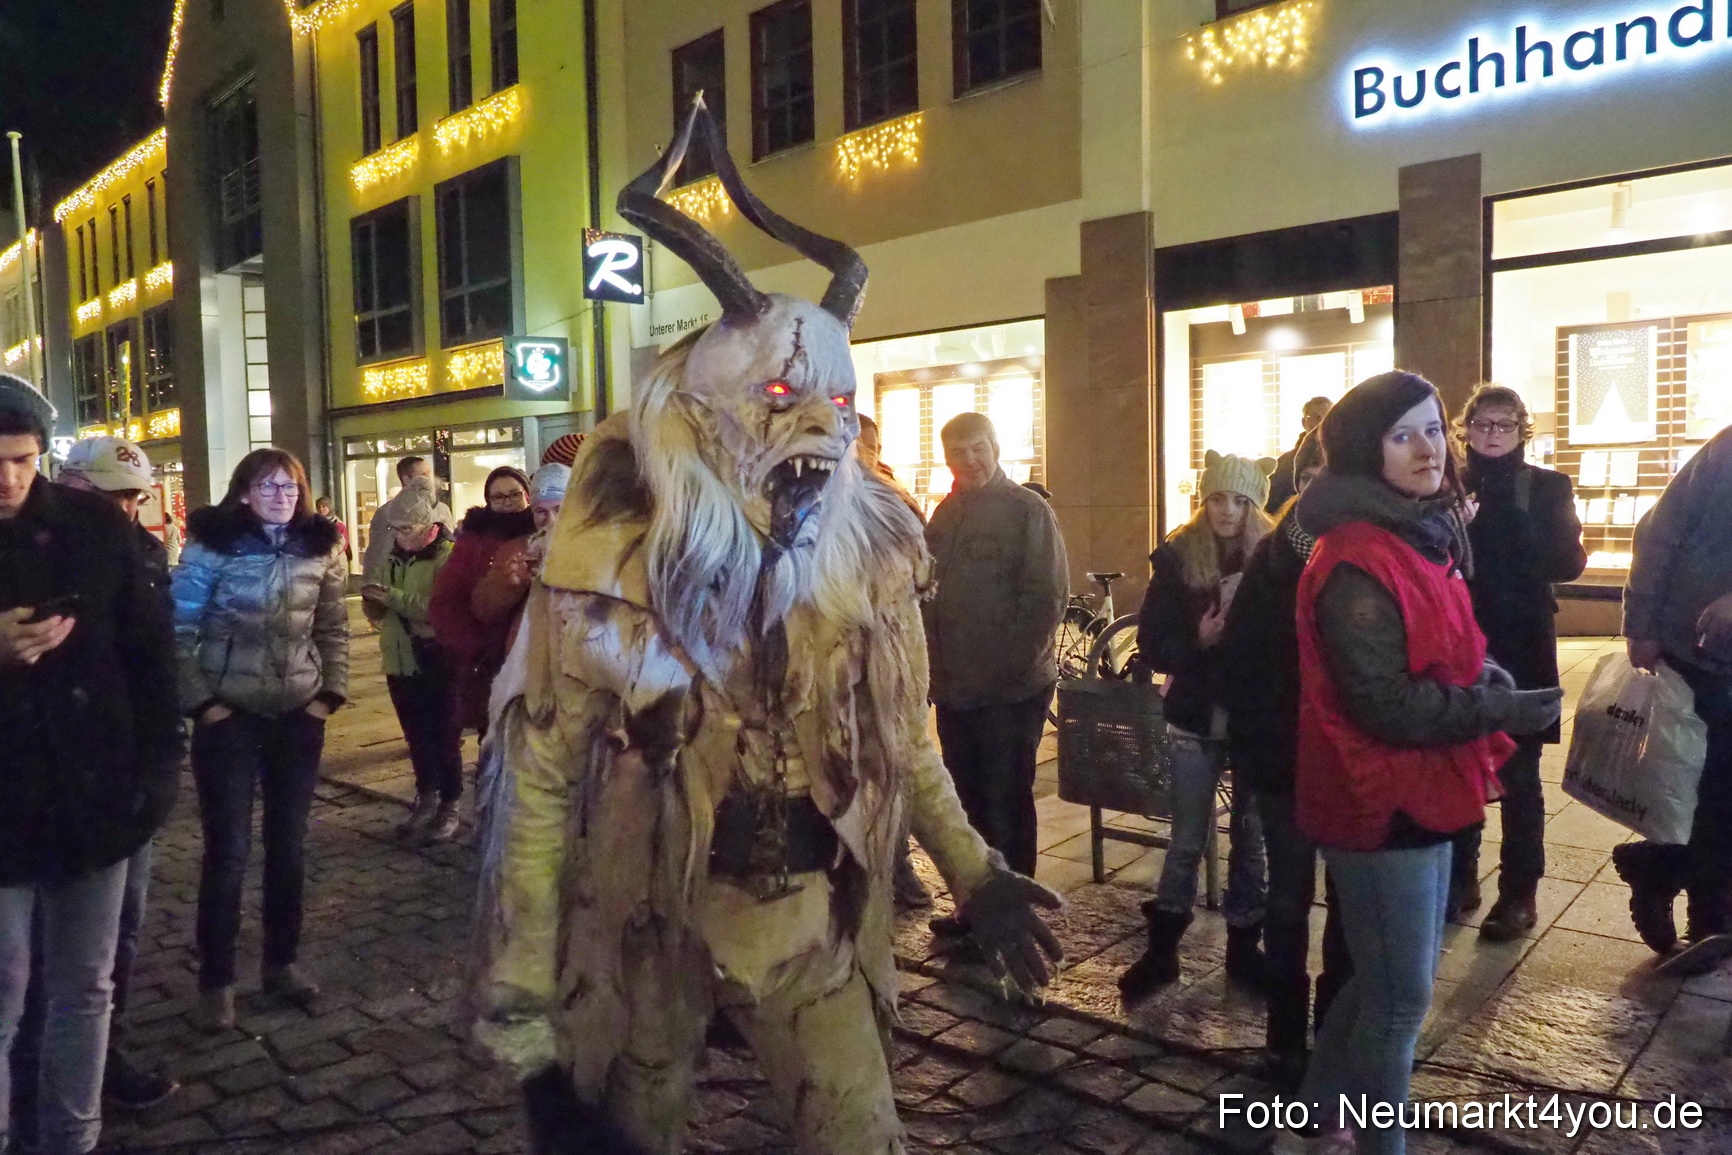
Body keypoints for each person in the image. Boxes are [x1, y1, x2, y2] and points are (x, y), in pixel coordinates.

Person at [473, 107, 1063, 1155]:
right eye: (782, 396)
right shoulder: (602, 573)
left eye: (834, 400)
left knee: (859, 1134)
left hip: (806, 917)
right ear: (697, 422)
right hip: (649, 917)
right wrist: (523, 980)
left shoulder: (866, 565)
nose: (816, 429)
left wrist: (973, 871)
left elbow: (902, 740)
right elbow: (544, 775)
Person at [1291, 371, 1561, 1155]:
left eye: (1433, 429)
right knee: (1401, 1001)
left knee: (1377, 985)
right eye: (1401, 434)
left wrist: (1487, 678)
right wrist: (1495, 709)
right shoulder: (1356, 555)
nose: (1426, 449)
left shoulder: (1418, 532)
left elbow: (1439, 648)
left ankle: (1310, 1124)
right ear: (1362, 452)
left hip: (1425, 788)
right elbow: (1386, 704)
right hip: (1378, 798)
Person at [0, 375, 182, 1154]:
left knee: (87, 985)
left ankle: (72, 1138)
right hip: (6, 800)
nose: (6, 479)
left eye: (20, 459)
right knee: (4, 990)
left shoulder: (92, 527)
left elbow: (149, 655)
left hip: (96, 792)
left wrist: (155, 774)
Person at [172, 448, 349, 1031]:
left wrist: (327, 696)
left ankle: (281, 963)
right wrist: (205, 703)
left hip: (297, 713)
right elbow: (178, 629)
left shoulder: (319, 547)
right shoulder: (213, 545)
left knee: (289, 846)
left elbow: (332, 625)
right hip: (230, 715)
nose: (282, 496)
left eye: (291, 487)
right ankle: (216, 980)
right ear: (244, 492)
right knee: (228, 852)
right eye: (268, 487)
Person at [47, 436, 180, 1108]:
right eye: (110, 495)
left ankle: (102, 1056)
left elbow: (156, 667)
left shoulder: (144, 556)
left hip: (127, 778)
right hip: (45, 778)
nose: (124, 510)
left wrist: (160, 764)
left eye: (132, 497)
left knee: (116, 935)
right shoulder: (31, 553)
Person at [1218, 431, 1351, 1083]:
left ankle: (1331, 1030)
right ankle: (1285, 1038)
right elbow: (1240, 665)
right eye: (1311, 475)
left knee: (1348, 905)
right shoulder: (1273, 561)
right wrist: (1255, 753)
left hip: (1352, 765)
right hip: (1285, 761)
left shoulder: (1364, 554)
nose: (1321, 486)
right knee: (1290, 899)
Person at [1118, 451, 1274, 1003]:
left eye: (1237, 500)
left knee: (1251, 839)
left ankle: (1243, 950)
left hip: (1253, 719)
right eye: (1215, 498)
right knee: (1185, 838)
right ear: (1202, 501)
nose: (1225, 510)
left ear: (1254, 504)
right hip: (1194, 713)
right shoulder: (1178, 557)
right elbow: (1153, 644)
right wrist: (1199, 642)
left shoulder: (1273, 557)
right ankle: (1162, 952)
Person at [1448, 385, 1585, 938]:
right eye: (1483, 424)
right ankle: (1461, 879)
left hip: (1523, 644)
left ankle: (1519, 893)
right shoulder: (1446, 486)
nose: (1492, 435)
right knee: (1457, 762)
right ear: (1467, 428)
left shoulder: (1547, 486)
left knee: (1520, 774)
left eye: (1504, 425)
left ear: (1522, 431)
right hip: (1459, 640)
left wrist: (1520, 529)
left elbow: (1570, 562)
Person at [924, 411, 1069, 885]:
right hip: (955, 690)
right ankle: (976, 905)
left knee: (1005, 801)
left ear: (996, 446)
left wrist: (1009, 669)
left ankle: (1016, 900)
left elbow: (1045, 598)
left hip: (1010, 691)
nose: (970, 461)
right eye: (958, 453)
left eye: (978, 448)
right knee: (965, 802)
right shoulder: (945, 515)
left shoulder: (1026, 510)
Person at [1617, 421, 1732, 963]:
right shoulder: (1726, 449)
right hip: (1705, 652)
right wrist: (1641, 625)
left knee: (1718, 796)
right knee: (1711, 787)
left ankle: (1664, 873)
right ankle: (1709, 920)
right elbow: (1660, 532)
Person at [363, 478, 461, 843]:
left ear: (429, 526)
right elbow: (388, 604)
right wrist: (373, 601)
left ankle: (450, 803)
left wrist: (392, 597)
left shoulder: (448, 555)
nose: (400, 535)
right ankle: (426, 797)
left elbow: (439, 611)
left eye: (407, 528)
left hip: (437, 659)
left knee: (445, 734)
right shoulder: (394, 555)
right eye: (395, 528)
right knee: (416, 735)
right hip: (400, 658)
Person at [428, 466, 535, 736]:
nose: (508, 503)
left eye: (514, 494)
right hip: (493, 662)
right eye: (498, 497)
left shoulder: (546, 532)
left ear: (528, 496)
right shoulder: (474, 542)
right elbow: (446, 600)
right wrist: (475, 648)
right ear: (488, 501)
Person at [362, 456, 454, 578]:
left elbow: (450, 541)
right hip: (401, 576)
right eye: (423, 474)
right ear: (406, 479)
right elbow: (377, 552)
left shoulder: (441, 509)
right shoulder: (387, 512)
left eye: (428, 473)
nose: (428, 479)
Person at [1266, 396, 1334, 512]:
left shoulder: (1341, 461)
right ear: (1304, 422)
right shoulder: (1285, 463)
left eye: (1328, 418)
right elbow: (1272, 505)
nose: (1322, 423)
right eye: (1317, 417)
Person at [315, 496, 353, 565]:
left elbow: (341, 544)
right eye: (318, 507)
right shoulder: (315, 524)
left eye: (324, 506)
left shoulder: (338, 524)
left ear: (329, 507)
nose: (321, 509)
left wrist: (326, 555)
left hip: (337, 562)